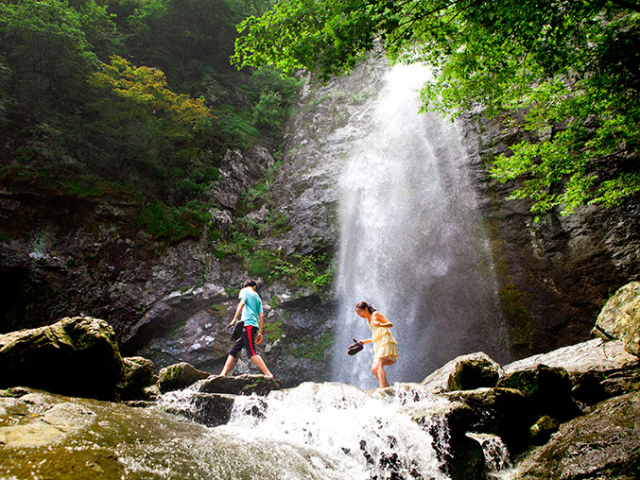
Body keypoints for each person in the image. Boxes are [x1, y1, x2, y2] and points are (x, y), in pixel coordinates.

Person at [220, 279, 273, 378]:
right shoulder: (257, 297)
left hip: (248, 325)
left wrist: (234, 319)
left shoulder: (244, 291)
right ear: (254, 287)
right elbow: (261, 316)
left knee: (252, 352)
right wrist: (260, 332)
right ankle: (223, 374)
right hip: (253, 326)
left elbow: (242, 303)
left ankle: (268, 373)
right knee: (233, 350)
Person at [354, 301, 398, 388]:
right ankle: (388, 388)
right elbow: (376, 336)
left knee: (379, 363)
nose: (359, 315)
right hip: (379, 343)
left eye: (360, 312)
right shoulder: (368, 322)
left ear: (366, 308)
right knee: (374, 369)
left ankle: (382, 389)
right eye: (357, 313)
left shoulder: (376, 314)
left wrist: (381, 324)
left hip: (386, 341)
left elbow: (390, 324)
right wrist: (364, 342)